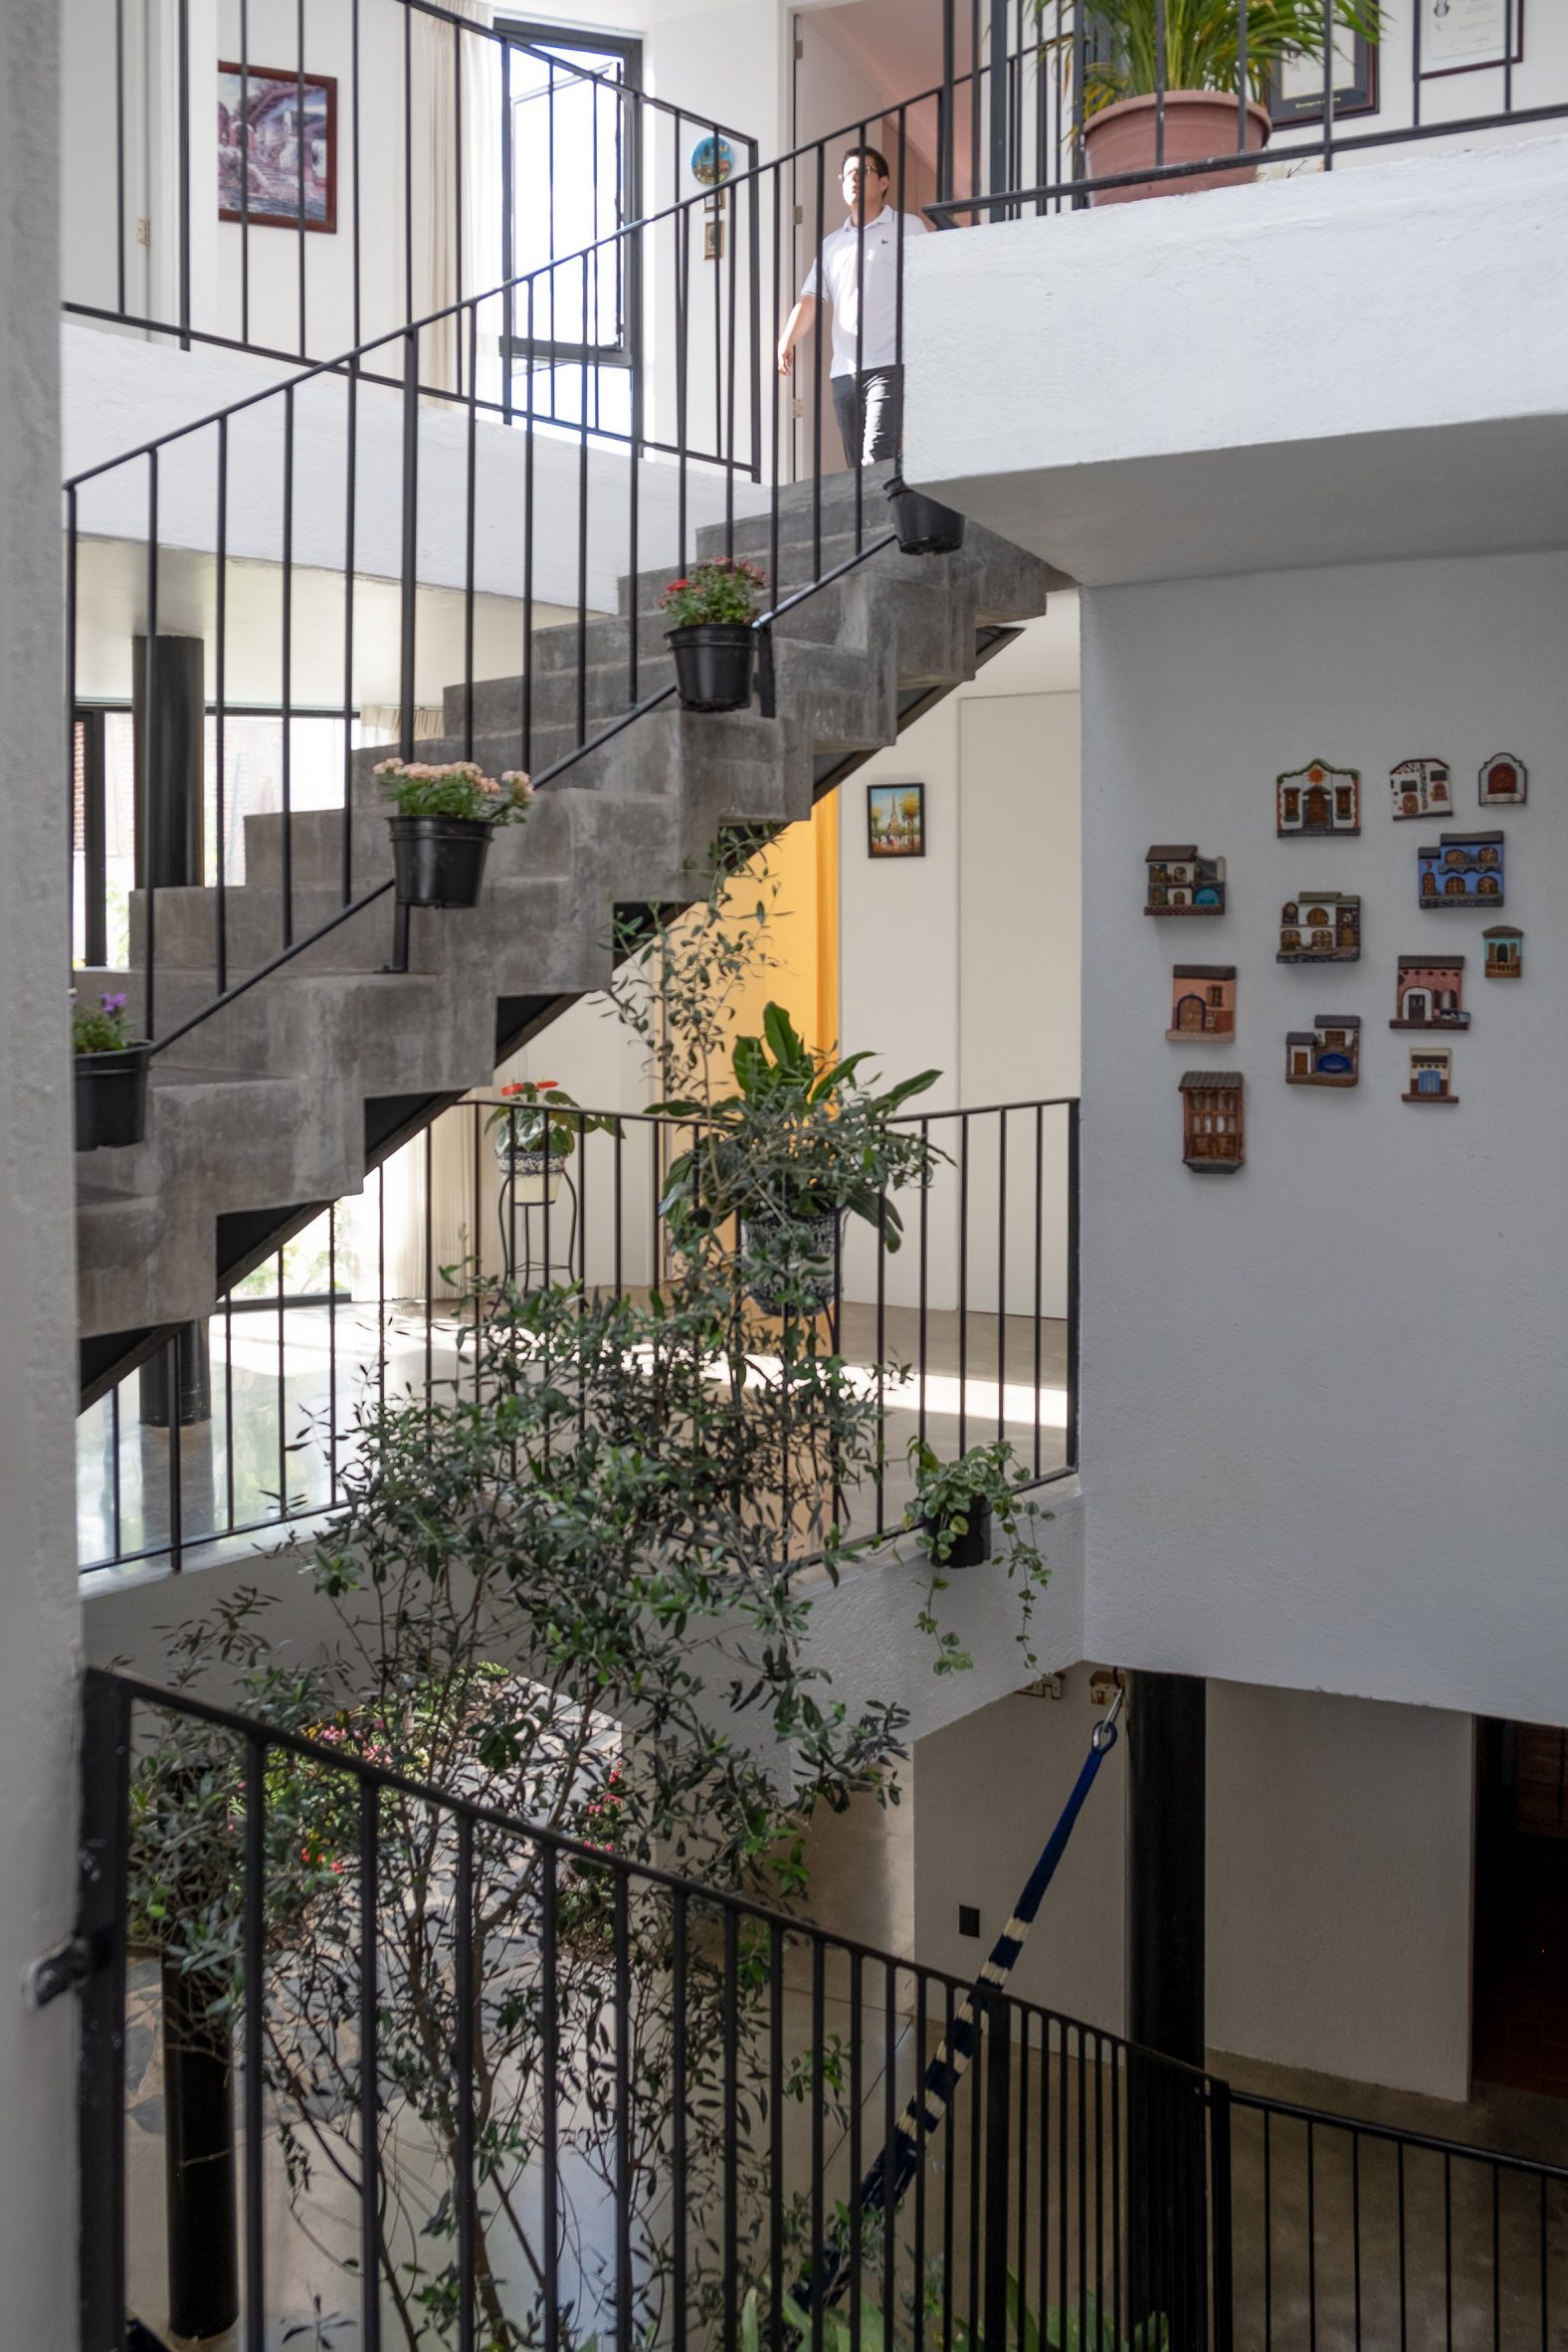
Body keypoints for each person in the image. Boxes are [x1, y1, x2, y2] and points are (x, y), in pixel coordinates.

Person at [776, 145, 927, 470]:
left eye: (864, 172)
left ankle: (882, 519)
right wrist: (786, 340)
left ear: (884, 182)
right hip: (843, 372)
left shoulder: (908, 228)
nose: (854, 179)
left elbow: (929, 287)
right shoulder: (832, 244)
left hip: (890, 363)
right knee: (856, 469)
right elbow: (811, 297)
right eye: (847, 174)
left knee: (876, 454)